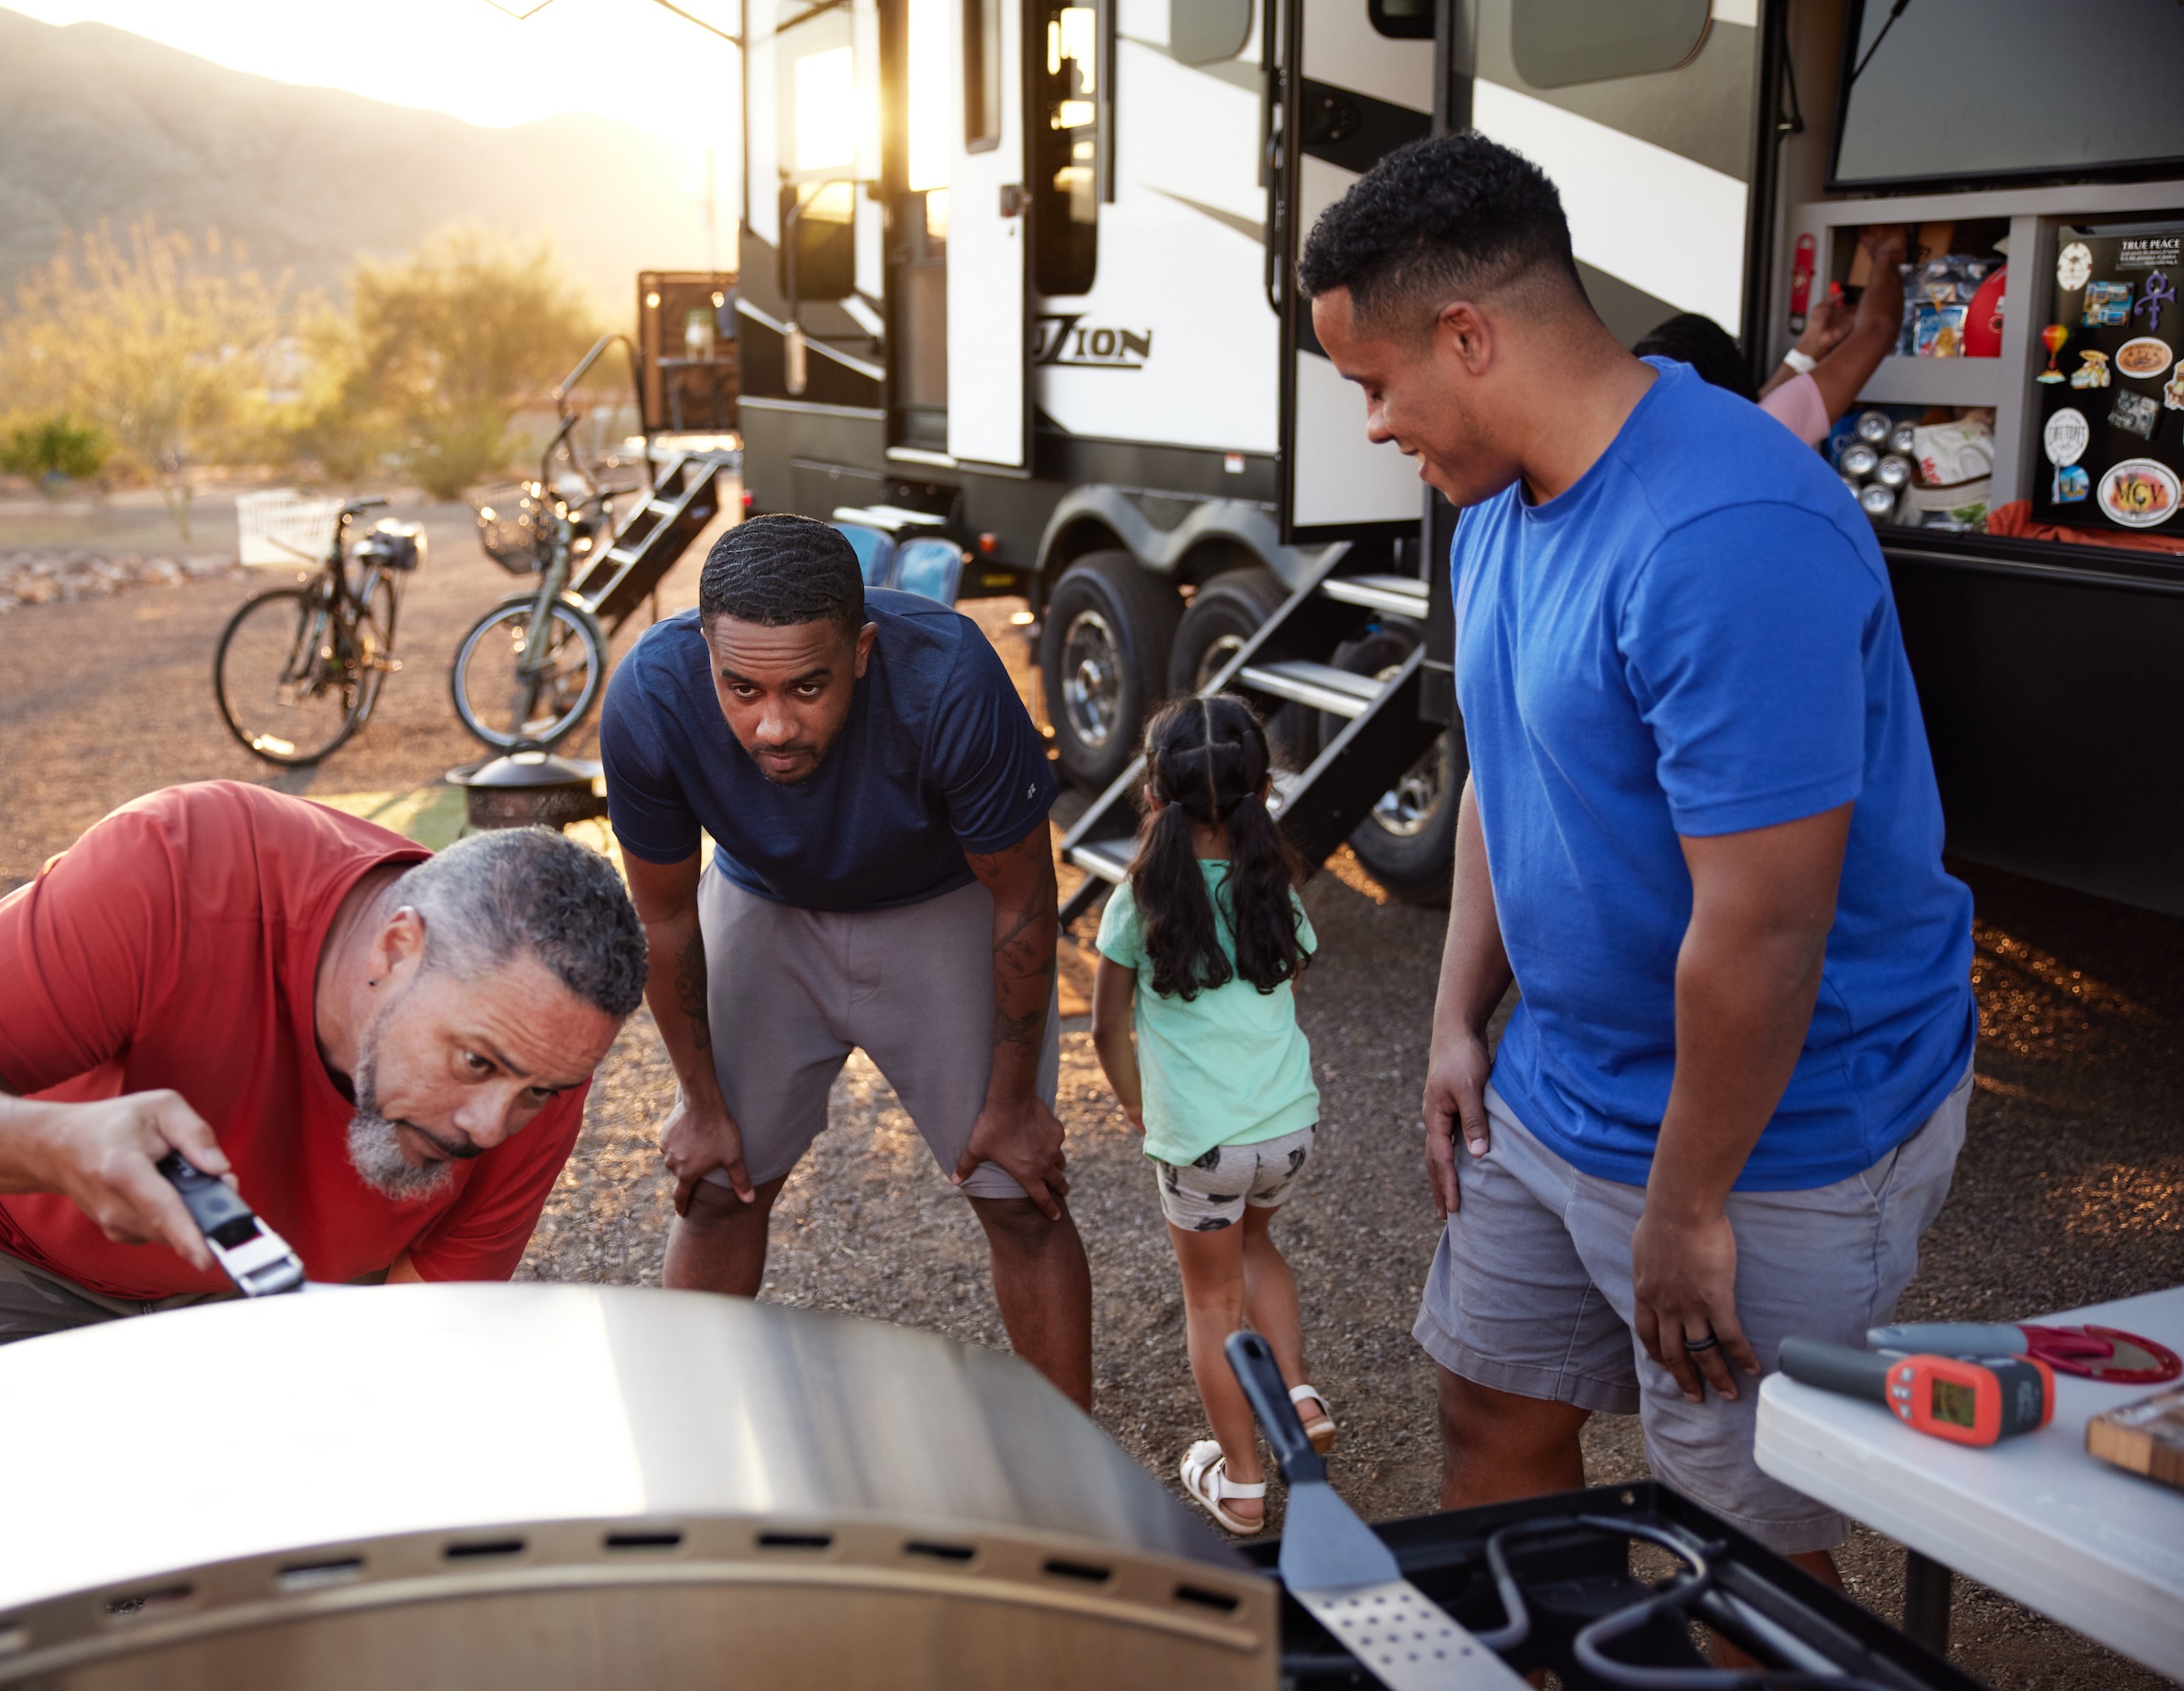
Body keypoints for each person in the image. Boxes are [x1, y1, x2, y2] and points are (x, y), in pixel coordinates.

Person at [1298, 134, 1976, 1580]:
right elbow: (1505, 769)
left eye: (1374, 383)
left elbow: (1769, 928)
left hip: (1774, 1141)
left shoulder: (1725, 531)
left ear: (1467, 335)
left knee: (1741, 1544)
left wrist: (1685, 1207)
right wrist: (1454, 1017)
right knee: (1489, 1412)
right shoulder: (1496, 507)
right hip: (1561, 1095)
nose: (1371, 426)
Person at [0, 782, 647, 1384]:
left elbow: (401, 1353)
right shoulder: (181, 867)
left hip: (276, 1309)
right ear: (396, 948)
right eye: (476, 1063)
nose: (493, 1127)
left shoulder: (541, 1059)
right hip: (8, 1255)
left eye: (540, 1091)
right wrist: (56, 1148)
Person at [599, 514, 1092, 1405]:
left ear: (862, 650)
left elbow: (1023, 897)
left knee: (1020, 1194)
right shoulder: (652, 694)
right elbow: (665, 916)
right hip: (762, 903)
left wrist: (1014, 1104)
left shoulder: (950, 677)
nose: (774, 726)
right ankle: (694, 1456)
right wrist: (702, 1106)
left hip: (937, 902)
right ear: (705, 653)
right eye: (741, 688)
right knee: (715, 1186)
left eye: (808, 686)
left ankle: (1076, 1481)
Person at [1089, 696, 1330, 1535]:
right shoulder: (1275, 889)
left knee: (1211, 1306)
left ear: (1153, 795)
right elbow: (1289, 983)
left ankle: (1241, 1482)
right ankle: (1297, 1396)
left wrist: (1131, 1099)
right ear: (1265, 790)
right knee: (1258, 1244)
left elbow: (1103, 1024)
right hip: (1288, 1127)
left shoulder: (1140, 902)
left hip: (1204, 1145)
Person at [1633, 226, 1908, 447]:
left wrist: (1812, 346)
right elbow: (1878, 329)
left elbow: (1757, 407)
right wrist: (1888, 254)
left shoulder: (1655, 443)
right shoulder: (1756, 437)